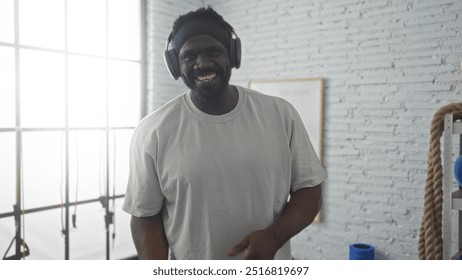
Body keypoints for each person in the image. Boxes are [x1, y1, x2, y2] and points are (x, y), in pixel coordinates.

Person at [122, 7, 327, 260]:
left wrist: (275, 236)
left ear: (232, 55)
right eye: (189, 56)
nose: (202, 63)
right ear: (176, 65)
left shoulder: (280, 114)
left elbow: (309, 190)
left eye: (213, 52)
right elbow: (145, 219)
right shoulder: (152, 131)